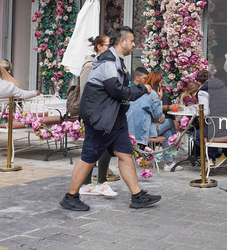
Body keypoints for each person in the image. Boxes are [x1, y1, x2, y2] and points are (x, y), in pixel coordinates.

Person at [60, 26, 161, 211]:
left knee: (125, 155)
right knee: (88, 158)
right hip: (101, 120)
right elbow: (116, 90)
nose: (133, 44)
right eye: (131, 41)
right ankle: (70, 196)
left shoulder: (117, 61)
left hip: (114, 119)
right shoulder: (108, 62)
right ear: (122, 42)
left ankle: (137, 196)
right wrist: (143, 89)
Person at [79, 35, 119, 198]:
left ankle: (95, 182)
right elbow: (85, 92)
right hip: (94, 113)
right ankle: (90, 183)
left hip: (104, 112)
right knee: (94, 148)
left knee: (101, 147)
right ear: (100, 47)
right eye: (108, 45)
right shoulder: (90, 66)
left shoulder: (107, 64)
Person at [127, 71, 182, 172]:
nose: (161, 86)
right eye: (160, 83)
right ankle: (174, 147)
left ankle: (169, 161)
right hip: (144, 131)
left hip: (130, 130)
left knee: (167, 132)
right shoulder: (152, 94)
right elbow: (157, 115)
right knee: (170, 123)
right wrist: (159, 99)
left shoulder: (133, 91)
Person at [195, 69, 227, 169]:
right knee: (209, 130)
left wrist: (198, 113)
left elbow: (204, 112)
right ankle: (214, 158)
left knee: (196, 135)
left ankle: (215, 157)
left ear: (198, 82)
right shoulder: (222, 86)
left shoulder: (203, 91)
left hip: (219, 126)